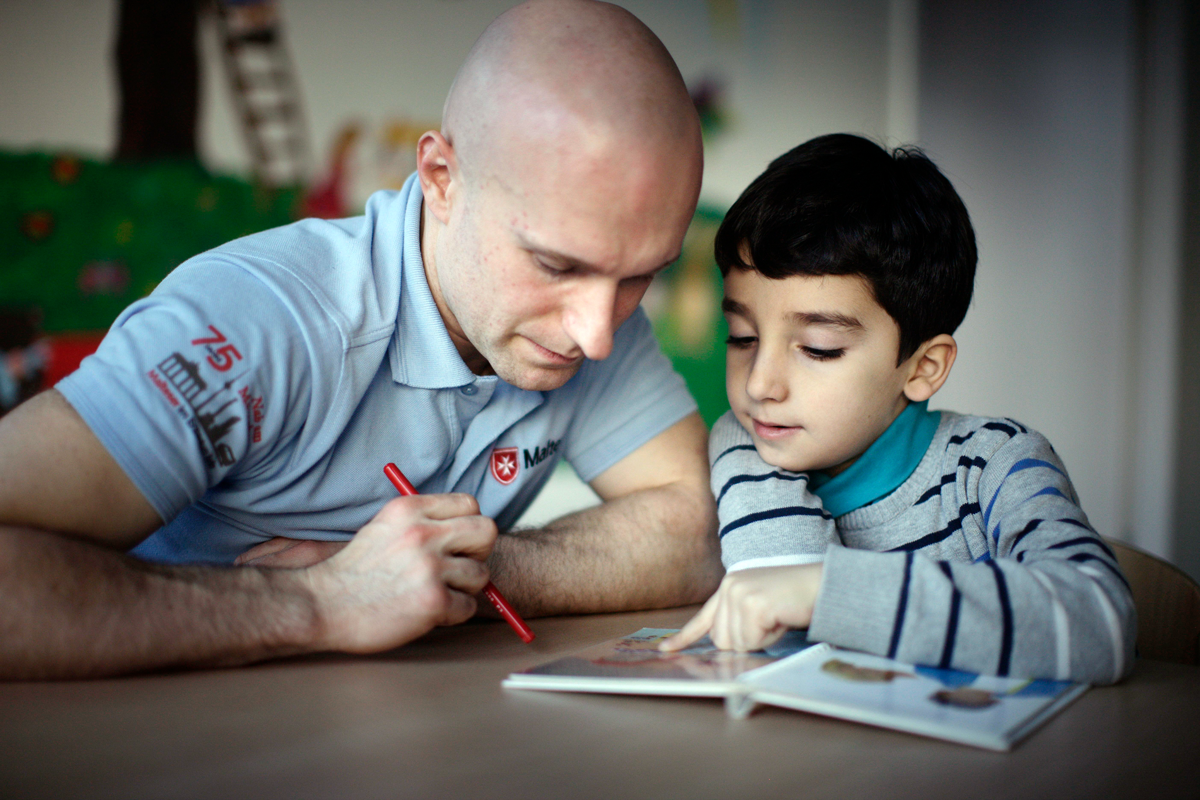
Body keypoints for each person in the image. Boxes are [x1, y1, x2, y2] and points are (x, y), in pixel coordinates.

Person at [0, 0, 721, 679]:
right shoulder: (260, 322)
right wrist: (319, 602)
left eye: (641, 277)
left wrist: (468, 568)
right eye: (555, 264)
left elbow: (699, 528)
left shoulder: (591, 308)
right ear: (441, 178)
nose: (597, 335)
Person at [661, 134, 1135, 685]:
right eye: (742, 336)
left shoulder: (994, 465)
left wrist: (825, 590)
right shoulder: (748, 442)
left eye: (818, 348)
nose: (760, 384)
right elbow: (781, 617)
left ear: (922, 368)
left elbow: (1103, 624)